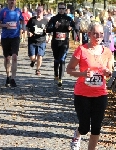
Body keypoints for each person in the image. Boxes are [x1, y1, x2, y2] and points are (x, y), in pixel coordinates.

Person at [66, 22, 113, 150]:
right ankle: (77, 134)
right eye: (95, 34)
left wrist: (107, 73)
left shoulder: (107, 52)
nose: (98, 36)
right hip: (82, 94)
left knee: (96, 127)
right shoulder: (82, 50)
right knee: (85, 127)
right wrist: (82, 73)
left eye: (101, 34)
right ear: (89, 34)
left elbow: (109, 72)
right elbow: (69, 69)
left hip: (100, 94)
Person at [0, 0, 24, 87]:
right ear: (7, 1)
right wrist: (4, 25)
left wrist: (23, 28)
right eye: (10, 0)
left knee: (15, 57)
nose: (12, 1)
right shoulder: (3, 11)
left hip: (15, 37)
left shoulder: (18, 11)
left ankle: (13, 79)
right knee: (7, 58)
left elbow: (22, 21)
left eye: (14, 0)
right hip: (5, 37)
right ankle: (8, 75)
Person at [46, 2, 74, 87]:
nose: (61, 10)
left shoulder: (68, 18)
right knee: (56, 59)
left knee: (62, 59)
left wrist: (70, 28)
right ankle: (56, 74)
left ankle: (60, 79)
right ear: (58, 9)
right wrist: (55, 27)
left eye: (63, 9)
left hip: (64, 42)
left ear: (65, 9)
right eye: (60, 8)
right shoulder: (54, 18)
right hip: (55, 42)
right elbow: (47, 29)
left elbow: (75, 27)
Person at [26, 6, 48, 75]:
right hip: (32, 41)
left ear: (43, 12)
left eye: (40, 11)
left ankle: (38, 69)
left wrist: (47, 34)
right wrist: (28, 32)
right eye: (37, 11)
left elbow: (49, 30)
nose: (38, 12)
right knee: (32, 57)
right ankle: (33, 61)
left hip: (42, 40)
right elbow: (27, 27)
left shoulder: (45, 20)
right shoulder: (32, 20)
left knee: (40, 55)